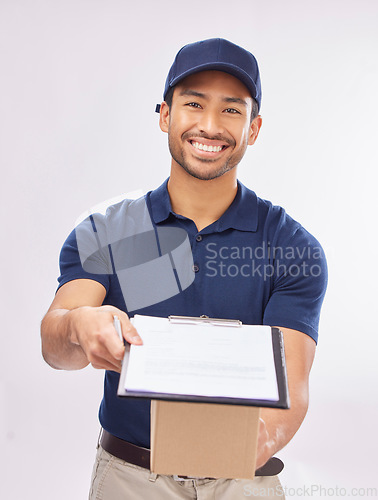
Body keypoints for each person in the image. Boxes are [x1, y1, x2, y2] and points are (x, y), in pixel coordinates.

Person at [41, 38, 327, 499]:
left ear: (253, 129)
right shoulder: (105, 231)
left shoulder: (292, 247)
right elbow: (56, 348)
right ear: (165, 116)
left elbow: (288, 394)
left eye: (231, 110)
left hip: (243, 480)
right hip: (130, 479)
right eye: (193, 104)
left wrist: (212, 454)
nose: (210, 126)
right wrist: (78, 324)